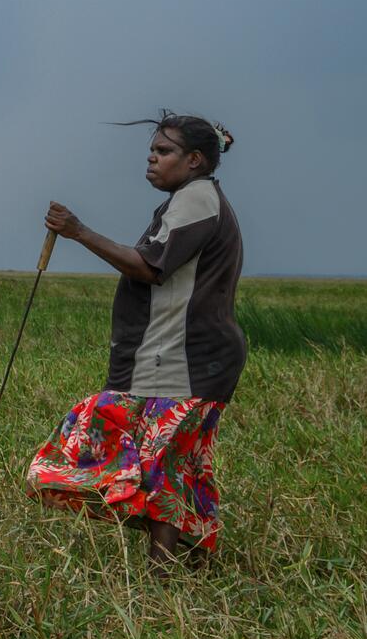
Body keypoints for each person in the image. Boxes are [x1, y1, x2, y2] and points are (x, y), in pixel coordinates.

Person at [32, 112, 244, 570]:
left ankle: (160, 572)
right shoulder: (190, 199)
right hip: (176, 355)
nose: (152, 157)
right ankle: (180, 560)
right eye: (153, 149)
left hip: (185, 358)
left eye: (164, 151)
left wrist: (79, 232)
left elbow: (149, 267)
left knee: (157, 460)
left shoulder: (196, 198)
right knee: (169, 462)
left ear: (194, 160)